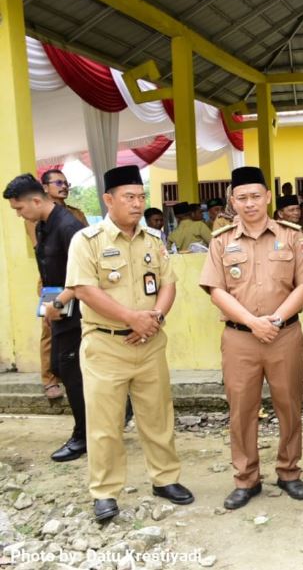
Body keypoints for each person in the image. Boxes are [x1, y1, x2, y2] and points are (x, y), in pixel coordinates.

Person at [66, 165, 193, 522]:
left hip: (149, 342)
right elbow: (84, 289)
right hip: (105, 345)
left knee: (158, 416)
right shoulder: (87, 240)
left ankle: (165, 479)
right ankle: (105, 492)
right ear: (108, 200)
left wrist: (155, 318)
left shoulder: (153, 238)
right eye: (129, 197)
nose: (137, 204)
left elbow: (168, 284)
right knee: (105, 424)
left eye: (140, 197)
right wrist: (130, 318)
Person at [200, 166, 303, 510]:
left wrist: (276, 319)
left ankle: (289, 471)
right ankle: (246, 478)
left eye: (255, 196)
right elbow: (216, 291)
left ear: (268, 196)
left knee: (289, 405)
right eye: (242, 197)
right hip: (240, 338)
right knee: (241, 410)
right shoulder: (221, 241)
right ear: (232, 201)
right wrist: (253, 322)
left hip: (285, 335)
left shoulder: (292, 235)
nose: (250, 203)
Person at [3, 174, 87, 462]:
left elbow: (86, 275)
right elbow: (50, 272)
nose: (18, 215)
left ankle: (84, 436)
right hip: (57, 309)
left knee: (73, 373)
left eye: (19, 208)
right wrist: (50, 307)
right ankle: (110, 414)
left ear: (36, 200)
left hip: (77, 311)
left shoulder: (69, 227)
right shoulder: (43, 226)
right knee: (59, 366)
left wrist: (61, 301)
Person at [28, 169, 87, 400]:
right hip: (52, 281)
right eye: (58, 183)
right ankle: (49, 379)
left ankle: (75, 373)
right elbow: (43, 252)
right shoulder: (36, 216)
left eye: (66, 183)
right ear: (45, 188)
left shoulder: (75, 214)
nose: (64, 186)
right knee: (50, 328)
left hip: (75, 279)